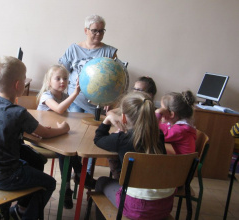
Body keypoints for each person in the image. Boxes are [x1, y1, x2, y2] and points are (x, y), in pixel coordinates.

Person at [0, 56, 70, 220]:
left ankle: (15, 208)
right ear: (18, 85)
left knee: (36, 161)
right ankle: (23, 215)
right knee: (49, 183)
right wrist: (63, 129)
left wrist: (28, 131)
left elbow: (6, 127)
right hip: (6, 175)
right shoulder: (19, 113)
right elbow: (45, 134)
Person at [94, 92, 174, 220]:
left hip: (135, 207)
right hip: (164, 207)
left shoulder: (122, 139)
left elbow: (98, 139)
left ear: (123, 118)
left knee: (101, 182)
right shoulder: (158, 136)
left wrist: (108, 119)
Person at [59, 14, 118, 178]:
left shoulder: (109, 52)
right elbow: (60, 72)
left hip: (97, 105)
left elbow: (116, 78)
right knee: (73, 139)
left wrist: (112, 99)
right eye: (94, 31)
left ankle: (86, 176)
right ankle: (70, 175)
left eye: (101, 31)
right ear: (86, 30)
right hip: (75, 101)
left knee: (92, 142)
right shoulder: (73, 49)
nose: (98, 34)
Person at [37, 64, 95, 209]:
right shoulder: (46, 96)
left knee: (71, 149)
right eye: (58, 78)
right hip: (41, 135)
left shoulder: (63, 95)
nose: (63, 81)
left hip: (55, 133)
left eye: (65, 79)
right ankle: (78, 178)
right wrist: (75, 93)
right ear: (49, 81)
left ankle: (69, 185)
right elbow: (59, 109)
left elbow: (63, 116)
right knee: (65, 152)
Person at [155, 90, 197, 154]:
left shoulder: (180, 130)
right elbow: (163, 127)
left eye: (162, 109)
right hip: (179, 159)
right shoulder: (176, 125)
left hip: (181, 163)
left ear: (171, 114)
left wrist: (158, 114)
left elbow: (156, 135)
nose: (160, 109)